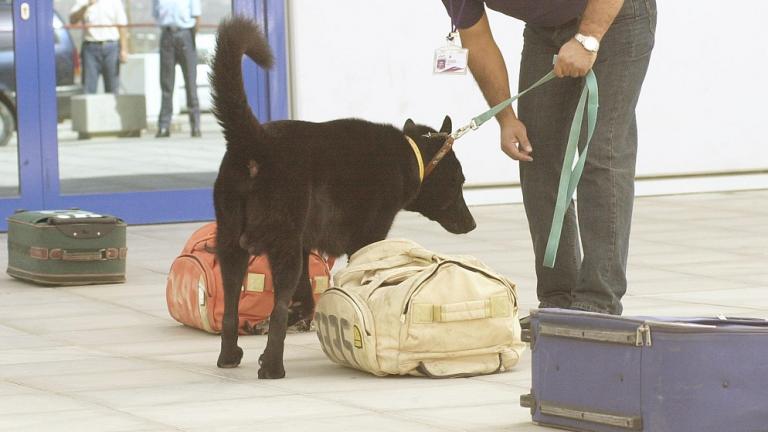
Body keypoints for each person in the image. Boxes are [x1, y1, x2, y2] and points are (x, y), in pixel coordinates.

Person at [441, 0, 656, 317]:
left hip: (617, 15)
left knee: (601, 154)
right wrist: (506, 118)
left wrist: (588, 38)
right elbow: (476, 38)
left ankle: (598, 304)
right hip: (545, 31)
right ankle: (559, 300)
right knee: (535, 157)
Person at [153, 0, 202, 138]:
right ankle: (164, 126)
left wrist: (190, 37)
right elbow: (156, 14)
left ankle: (195, 125)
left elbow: (197, 17)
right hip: (167, 35)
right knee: (166, 85)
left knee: (190, 83)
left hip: (185, 34)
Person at [70, 0, 129, 94]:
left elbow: (122, 25)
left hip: (111, 47)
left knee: (113, 89)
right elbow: (72, 20)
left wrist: (124, 50)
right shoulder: (83, 2)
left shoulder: (115, 2)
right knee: (88, 89)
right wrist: (86, 6)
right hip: (90, 48)